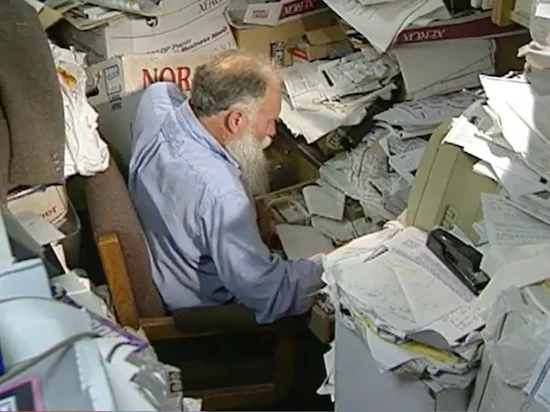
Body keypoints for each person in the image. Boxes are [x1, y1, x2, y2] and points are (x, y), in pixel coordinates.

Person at [128, 50, 325, 325]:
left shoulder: (156, 100)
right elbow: (270, 294)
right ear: (235, 120)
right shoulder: (222, 194)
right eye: (269, 121)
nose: (271, 133)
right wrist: (330, 264)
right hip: (206, 316)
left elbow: (167, 92)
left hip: (167, 258)